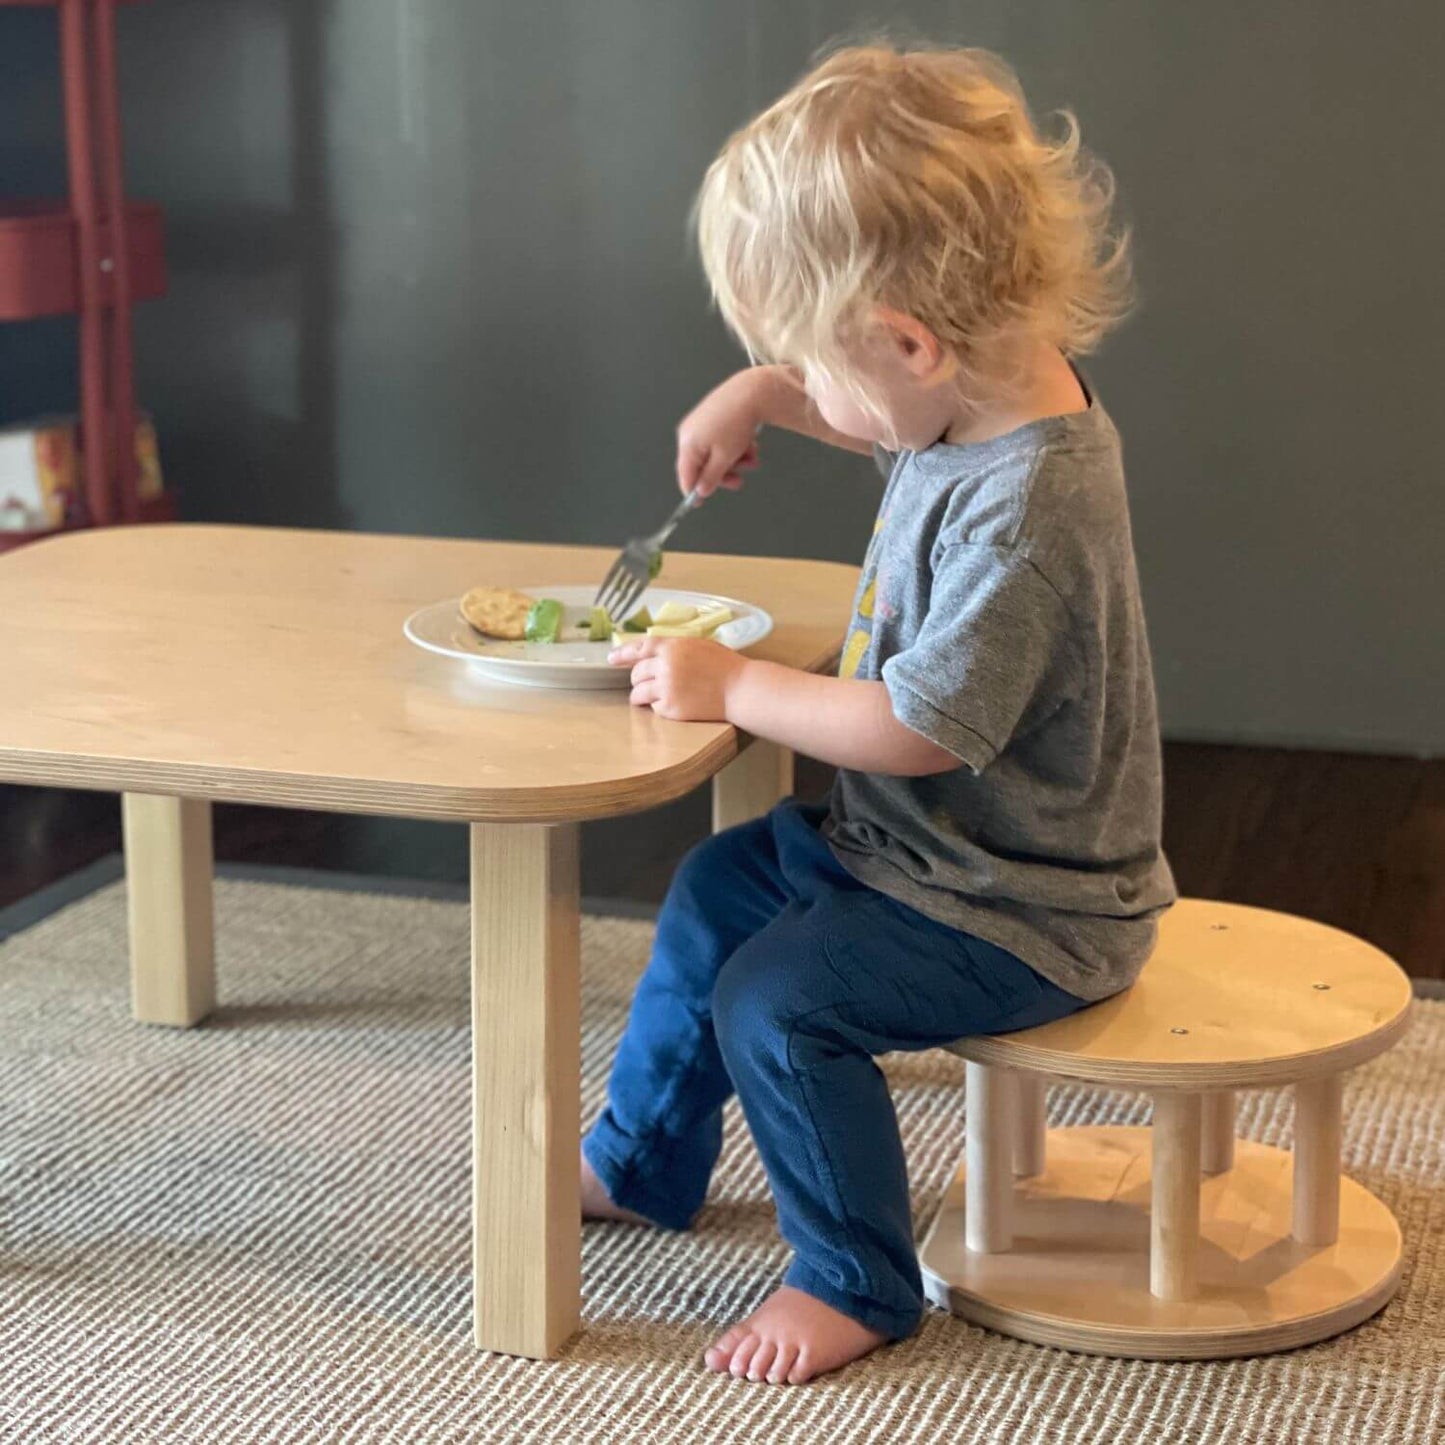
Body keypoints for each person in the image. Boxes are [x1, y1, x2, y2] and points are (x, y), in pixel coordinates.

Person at [583, 41, 1178, 1385]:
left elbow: (916, 726)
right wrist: (770, 394)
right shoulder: (982, 393)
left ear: (911, 339)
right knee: (712, 889)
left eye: (814, 361)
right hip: (909, 855)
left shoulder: (1034, 506)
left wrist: (734, 685)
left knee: (778, 1001)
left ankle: (851, 1276)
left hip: (1024, 904)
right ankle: (640, 1158)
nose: (817, 391)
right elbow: (893, 415)